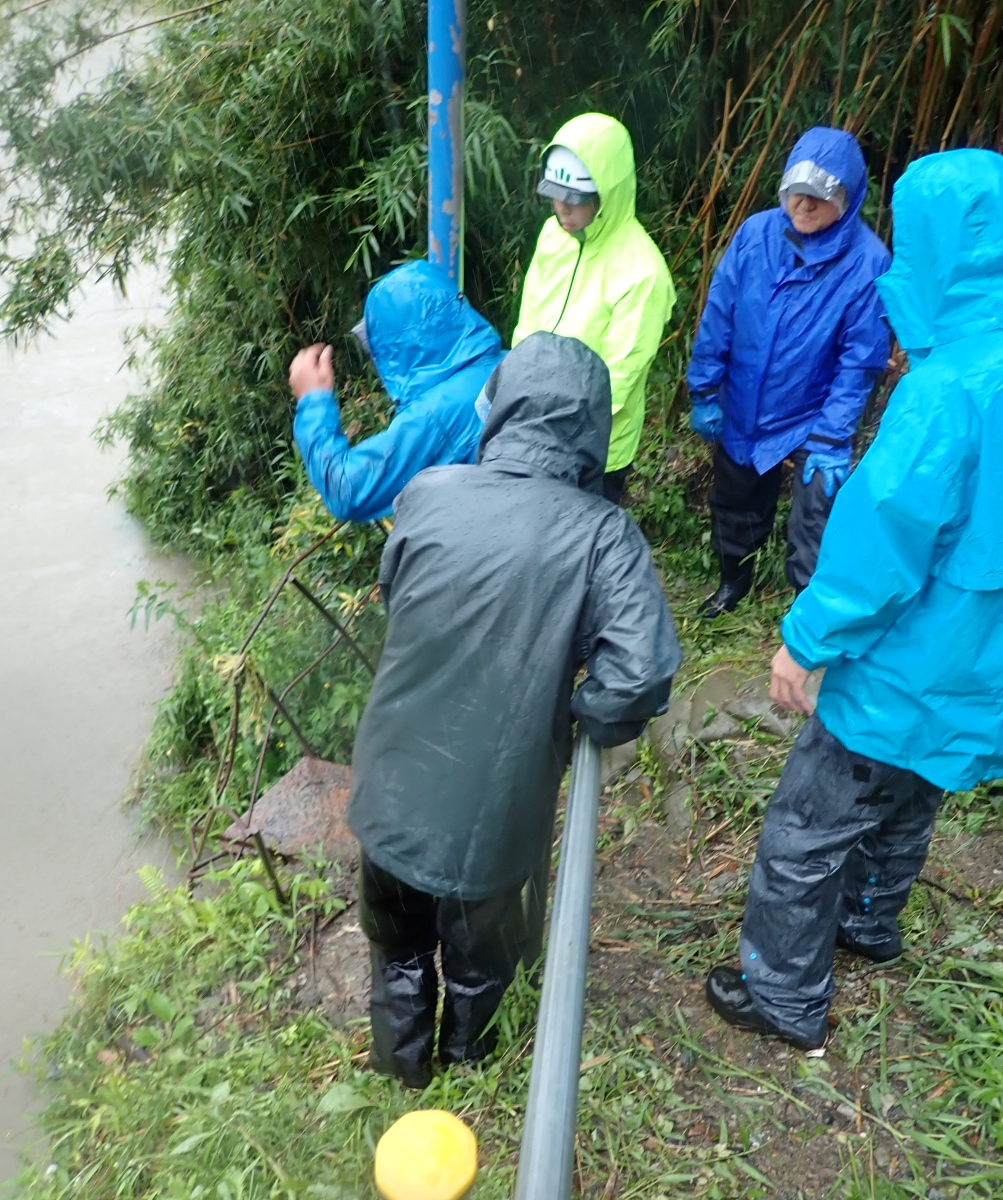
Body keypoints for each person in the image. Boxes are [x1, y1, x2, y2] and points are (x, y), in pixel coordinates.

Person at [703, 150, 1003, 1050]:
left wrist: (807, 639)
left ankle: (781, 994)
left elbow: (883, 541)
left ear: (935, 255)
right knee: (913, 796)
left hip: (910, 664)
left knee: (807, 828)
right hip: (999, 653)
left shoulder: (947, 392)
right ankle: (871, 923)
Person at [325, 331, 682, 1087]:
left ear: (503, 406)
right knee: (480, 960)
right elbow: (639, 676)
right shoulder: (602, 535)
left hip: (388, 786)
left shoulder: (427, 491)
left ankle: (404, 1081)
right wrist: (575, 708)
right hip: (494, 813)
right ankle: (467, 1076)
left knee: (397, 951)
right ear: (591, 424)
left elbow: (398, 597)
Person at [685, 127, 892, 617]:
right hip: (744, 398)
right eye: (797, 191)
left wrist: (832, 434)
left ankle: (806, 611)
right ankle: (733, 581)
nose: (806, 203)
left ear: (849, 197)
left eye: (822, 195)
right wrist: (705, 388)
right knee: (735, 498)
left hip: (813, 413)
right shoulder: (756, 235)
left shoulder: (868, 263)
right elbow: (720, 312)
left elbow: (859, 359)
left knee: (814, 516)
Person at [514, 113, 676, 503]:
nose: (561, 209)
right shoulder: (554, 236)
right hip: (533, 426)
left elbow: (616, 380)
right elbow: (527, 325)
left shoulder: (643, 272)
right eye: (554, 195)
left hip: (593, 447)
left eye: (574, 200)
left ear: (608, 193)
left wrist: (554, 426)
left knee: (581, 550)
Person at [290, 258, 504, 523]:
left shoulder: (436, 415)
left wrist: (314, 401)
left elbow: (346, 490)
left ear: (395, 349)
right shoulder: (508, 363)